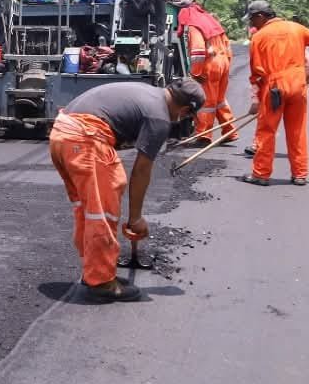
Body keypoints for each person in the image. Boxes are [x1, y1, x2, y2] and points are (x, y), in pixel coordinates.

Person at [48, 78, 205, 302]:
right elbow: (141, 171)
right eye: (188, 115)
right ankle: (101, 282)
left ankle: (95, 270)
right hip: (85, 137)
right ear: (186, 109)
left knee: (89, 209)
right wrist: (135, 218)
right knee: (104, 209)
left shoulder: (151, 94)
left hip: (62, 132)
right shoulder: (159, 117)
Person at [241, 0, 309, 187]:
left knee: (267, 130)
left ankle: (261, 174)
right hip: (299, 84)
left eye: (252, 19)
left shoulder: (259, 37)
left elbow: (256, 74)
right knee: (297, 130)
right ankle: (300, 174)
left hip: (275, 88)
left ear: (261, 16)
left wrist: (257, 99)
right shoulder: (296, 28)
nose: (251, 23)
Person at [175, 0, 238, 147]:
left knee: (205, 102)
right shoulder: (211, 21)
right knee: (219, 100)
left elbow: (198, 51)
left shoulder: (194, 24)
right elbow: (227, 44)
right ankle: (229, 131)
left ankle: (204, 136)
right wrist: (226, 64)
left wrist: (196, 73)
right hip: (223, 61)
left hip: (210, 65)